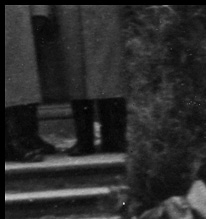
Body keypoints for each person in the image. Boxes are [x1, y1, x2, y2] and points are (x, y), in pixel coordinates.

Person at [51, 6, 128, 156]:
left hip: (107, 12)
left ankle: (114, 137)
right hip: (71, 11)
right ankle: (84, 139)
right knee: (76, 72)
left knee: (111, 71)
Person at [5, 5, 56, 162]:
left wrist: (39, 12)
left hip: (17, 16)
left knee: (24, 78)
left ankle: (27, 136)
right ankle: (10, 143)